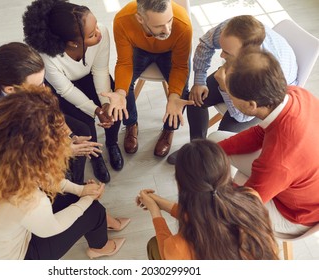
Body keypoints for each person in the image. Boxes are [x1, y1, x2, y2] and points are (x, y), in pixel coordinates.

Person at [0, 86, 126, 260]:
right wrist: (87, 200)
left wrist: (80, 191)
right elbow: (51, 228)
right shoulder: (28, 198)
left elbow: (43, 178)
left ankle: (101, 221)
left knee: (81, 197)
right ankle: (100, 247)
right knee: (92, 209)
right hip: (19, 260)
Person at [0, 42, 100, 185]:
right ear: (11, 90)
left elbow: (46, 104)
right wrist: (63, 151)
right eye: (38, 85)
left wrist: (69, 136)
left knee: (80, 131)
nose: (44, 89)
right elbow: (16, 159)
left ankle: (73, 182)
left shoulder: (0, 60)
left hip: (17, 114)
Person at [208, 47, 319, 235]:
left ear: (251, 105)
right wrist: (213, 151)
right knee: (214, 141)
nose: (228, 98)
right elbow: (260, 133)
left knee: (216, 212)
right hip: (299, 179)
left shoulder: (278, 161)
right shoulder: (295, 94)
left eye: (230, 95)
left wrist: (215, 186)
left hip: (298, 214)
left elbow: (247, 202)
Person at [167, 15, 298, 165]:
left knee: (225, 131)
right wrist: (199, 81)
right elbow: (206, 44)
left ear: (248, 53)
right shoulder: (230, 29)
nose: (221, 55)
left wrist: (224, 86)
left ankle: (209, 161)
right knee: (195, 99)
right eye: (222, 49)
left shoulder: (265, 72)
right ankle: (197, 148)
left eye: (227, 53)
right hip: (236, 72)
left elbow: (242, 116)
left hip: (263, 95)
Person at [23, 0, 123, 184]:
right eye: (92, 34)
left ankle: (112, 142)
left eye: (96, 27)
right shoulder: (47, 57)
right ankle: (96, 156)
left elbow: (100, 70)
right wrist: (95, 110)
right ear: (72, 43)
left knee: (114, 111)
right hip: (65, 88)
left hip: (93, 77)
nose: (99, 33)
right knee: (85, 124)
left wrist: (105, 104)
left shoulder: (102, 32)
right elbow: (65, 89)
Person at [136, 139, 279, 260]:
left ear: (180, 186)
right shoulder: (251, 197)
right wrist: (158, 203)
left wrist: (155, 213)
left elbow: (166, 251)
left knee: (153, 245)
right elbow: (205, 213)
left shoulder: (178, 247)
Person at [110, 0, 193, 158]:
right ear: (140, 19)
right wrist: (120, 92)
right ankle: (131, 124)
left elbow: (180, 67)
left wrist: (174, 95)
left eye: (169, 21)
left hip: (171, 52)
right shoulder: (122, 20)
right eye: (159, 25)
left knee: (181, 93)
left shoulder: (183, 24)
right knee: (122, 87)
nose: (167, 29)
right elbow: (124, 63)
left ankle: (169, 129)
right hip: (140, 49)